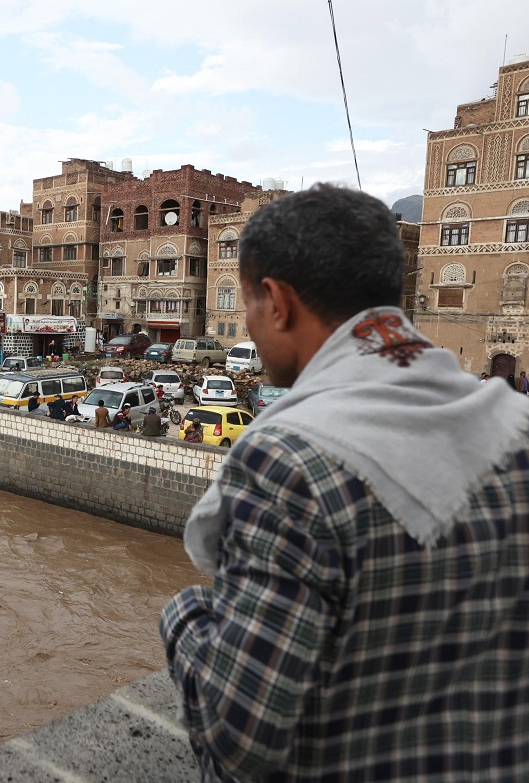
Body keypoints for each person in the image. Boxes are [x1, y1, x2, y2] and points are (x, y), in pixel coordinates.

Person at [160, 184, 529, 782]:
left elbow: (235, 739)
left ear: (276, 302)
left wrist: (185, 613)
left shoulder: (288, 463)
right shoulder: (517, 426)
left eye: (250, 307)